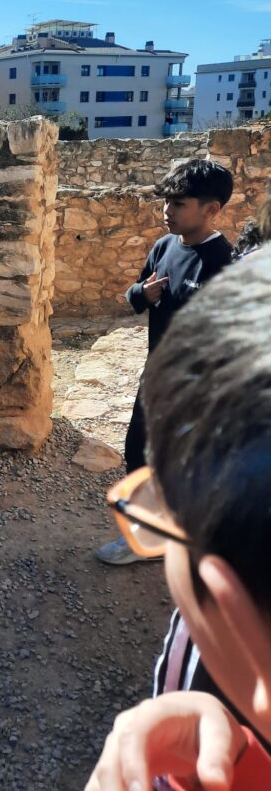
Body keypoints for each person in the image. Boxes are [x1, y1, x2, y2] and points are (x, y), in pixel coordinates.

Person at [85, 244, 271, 790]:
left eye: (160, 506)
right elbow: (134, 295)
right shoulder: (164, 249)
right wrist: (242, 753)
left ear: (226, 600)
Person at [96, 158, 234, 566]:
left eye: (178, 203)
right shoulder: (164, 247)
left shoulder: (223, 262)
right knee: (138, 451)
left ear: (211, 209)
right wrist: (143, 293)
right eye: (166, 201)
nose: (166, 211)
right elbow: (134, 296)